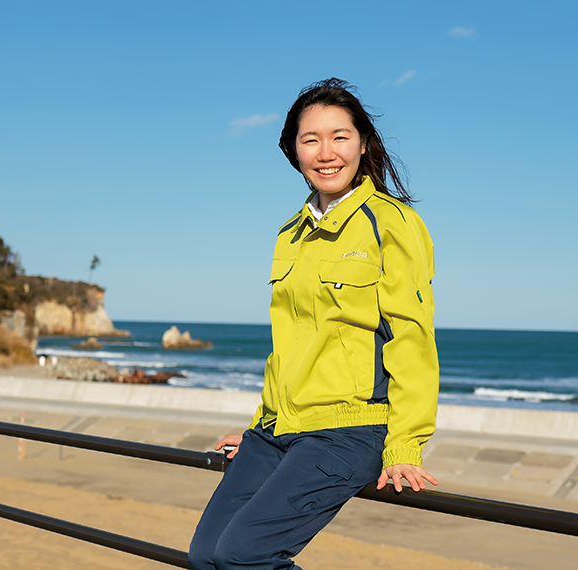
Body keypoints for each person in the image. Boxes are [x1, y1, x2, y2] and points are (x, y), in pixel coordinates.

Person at [187, 78, 439, 570]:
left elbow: (411, 339)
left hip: (347, 429)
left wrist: (405, 446)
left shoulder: (391, 223)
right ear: (294, 152)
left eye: (340, 136)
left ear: (363, 144)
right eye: (311, 140)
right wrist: (264, 421)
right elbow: (288, 344)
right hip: (278, 429)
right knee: (204, 558)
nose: (327, 152)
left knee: (242, 556)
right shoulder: (291, 234)